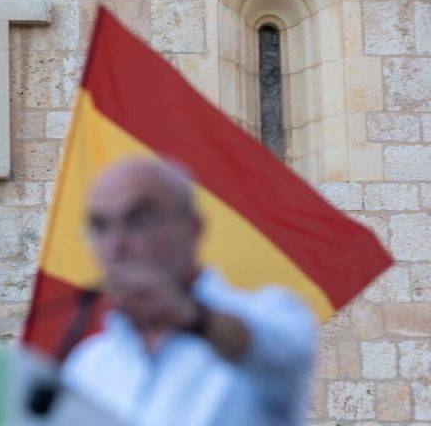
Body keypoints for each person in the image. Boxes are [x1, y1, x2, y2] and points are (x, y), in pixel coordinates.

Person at [60, 158, 317, 426]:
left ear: (193, 227)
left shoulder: (274, 313)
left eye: (139, 219)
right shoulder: (87, 366)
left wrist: (189, 316)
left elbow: (272, 351)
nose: (116, 244)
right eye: (100, 226)